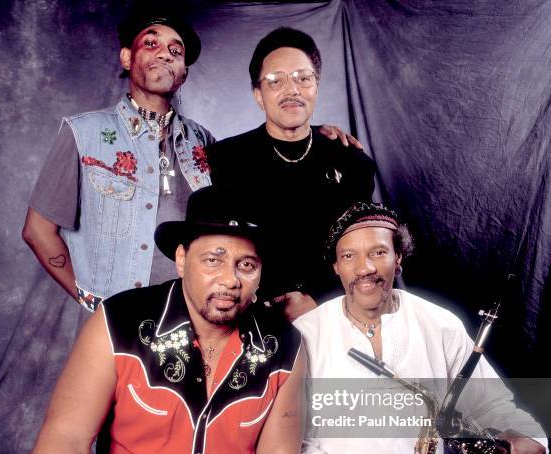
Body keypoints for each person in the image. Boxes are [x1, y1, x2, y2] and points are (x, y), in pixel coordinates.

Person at [20, 185, 305, 454]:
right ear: (182, 258)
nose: (229, 280)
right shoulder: (119, 321)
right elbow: (67, 438)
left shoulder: (285, 344)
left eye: (246, 264)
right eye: (213, 260)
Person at [293, 201, 548, 454]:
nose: (365, 268)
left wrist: (529, 437)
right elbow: (295, 449)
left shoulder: (440, 323)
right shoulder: (303, 335)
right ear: (335, 267)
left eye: (378, 252)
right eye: (349, 256)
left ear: (399, 257)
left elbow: (491, 402)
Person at [22, 8, 356, 313]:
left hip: (192, 316)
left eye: (175, 51)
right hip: (116, 318)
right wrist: (89, 297)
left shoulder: (205, 143)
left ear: (183, 74)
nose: (164, 53)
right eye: (150, 43)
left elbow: (260, 168)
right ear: (127, 57)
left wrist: (313, 133)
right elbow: (38, 231)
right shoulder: (84, 133)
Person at [207, 27, 377, 321]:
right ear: (258, 94)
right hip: (250, 315)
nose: (292, 90)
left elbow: (365, 250)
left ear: (316, 86)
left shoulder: (352, 162)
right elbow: (217, 254)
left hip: (335, 310)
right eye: (276, 81)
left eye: (303, 78)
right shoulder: (225, 160)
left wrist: (316, 299)